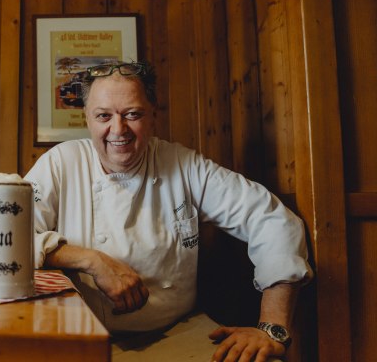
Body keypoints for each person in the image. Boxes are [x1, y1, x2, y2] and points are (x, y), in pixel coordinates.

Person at [24, 62, 313, 361]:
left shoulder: (184, 165)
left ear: (153, 116)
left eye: (132, 114)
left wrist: (271, 328)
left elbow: (272, 219)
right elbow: (10, 238)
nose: (118, 129)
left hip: (176, 332)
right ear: (87, 118)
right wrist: (92, 260)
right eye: (103, 116)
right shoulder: (60, 163)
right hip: (76, 337)